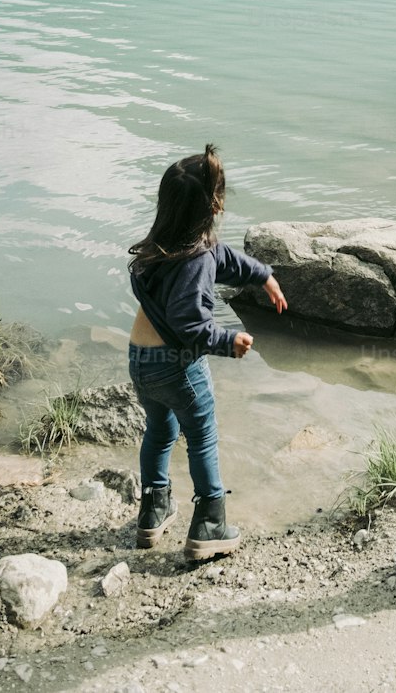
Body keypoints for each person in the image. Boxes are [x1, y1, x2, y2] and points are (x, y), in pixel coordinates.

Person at [127, 144, 287, 560]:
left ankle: (153, 512)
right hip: (176, 367)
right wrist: (226, 340)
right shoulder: (194, 259)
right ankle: (210, 522)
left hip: (140, 360)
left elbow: (224, 257)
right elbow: (190, 324)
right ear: (215, 204)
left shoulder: (159, 246)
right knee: (202, 437)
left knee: (160, 432)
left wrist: (263, 275)